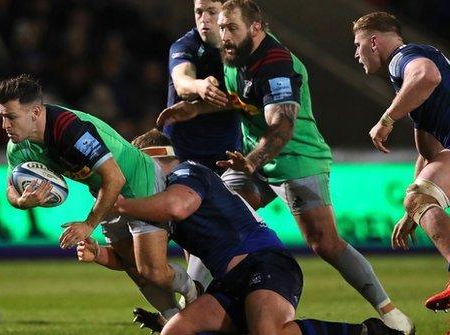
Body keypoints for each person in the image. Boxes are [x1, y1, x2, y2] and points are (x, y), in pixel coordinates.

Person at [156, 0, 413, 334]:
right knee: (212, 219)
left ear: (256, 28)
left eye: (232, 27)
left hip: (295, 158)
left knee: (325, 243)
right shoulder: (234, 57)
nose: (225, 36)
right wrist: (195, 109)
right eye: (221, 28)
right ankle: (190, 310)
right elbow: (243, 101)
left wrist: (250, 162)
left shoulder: (276, 62)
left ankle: (392, 316)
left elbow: (282, 127)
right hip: (253, 160)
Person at [78, 128, 403, 335]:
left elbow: (177, 207)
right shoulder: (157, 199)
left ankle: (365, 333)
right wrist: (99, 254)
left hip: (267, 264)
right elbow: (138, 261)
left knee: (266, 333)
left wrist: (119, 205)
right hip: (228, 283)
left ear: (153, 160)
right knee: (175, 332)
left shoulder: (187, 172)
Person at [0, 74, 200, 323]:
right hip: (106, 193)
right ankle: (173, 320)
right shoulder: (18, 146)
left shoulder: (69, 129)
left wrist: (89, 224)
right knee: (134, 269)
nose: (5, 125)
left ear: (35, 112)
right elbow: (10, 189)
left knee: (152, 270)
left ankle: (192, 290)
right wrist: (22, 202)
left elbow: (116, 178)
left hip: (139, 182)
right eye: (2, 116)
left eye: (11, 117)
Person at [353, 11, 450, 312]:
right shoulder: (411, 87)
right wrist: (413, 212)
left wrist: (386, 119)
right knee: (419, 197)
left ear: (373, 41)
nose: (356, 53)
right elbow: (429, 152)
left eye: (357, 45)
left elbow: (427, 75)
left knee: (419, 197)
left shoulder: (402, 58)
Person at [165, 0, 242, 293]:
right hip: (184, 155)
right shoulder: (185, 45)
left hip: (227, 155)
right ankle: (197, 303)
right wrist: (199, 87)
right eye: (199, 11)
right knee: (193, 231)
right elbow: (181, 81)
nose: (204, 19)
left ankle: (201, 302)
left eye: (212, 11)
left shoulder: (240, 49)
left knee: (219, 231)